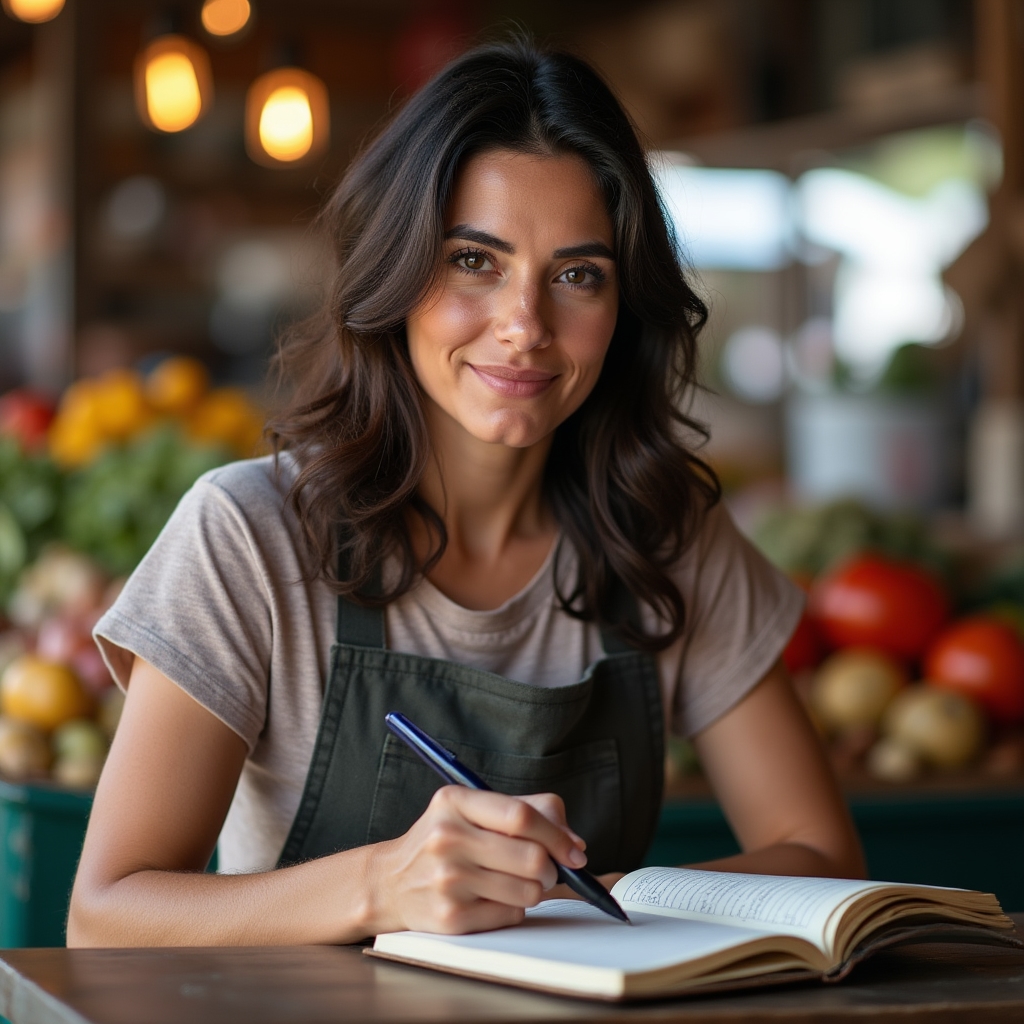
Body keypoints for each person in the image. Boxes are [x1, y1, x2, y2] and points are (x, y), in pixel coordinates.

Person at [67, 38, 863, 947]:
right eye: (473, 261)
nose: (525, 326)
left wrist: (573, 899)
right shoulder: (247, 537)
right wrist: (382, 886)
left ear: (623, 310)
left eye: (576, 275)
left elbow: (820, 855)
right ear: (396, 274)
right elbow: (105, 916)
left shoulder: (669, 538)